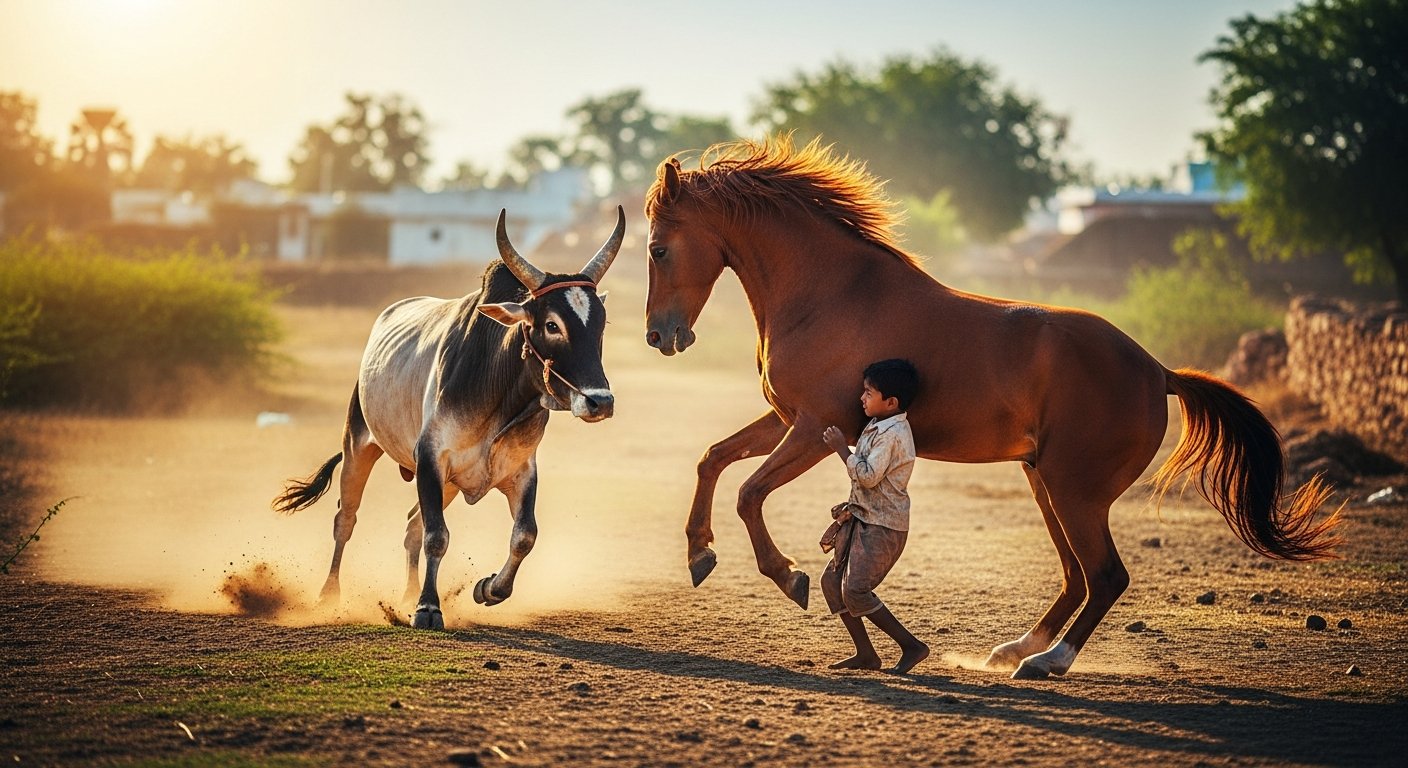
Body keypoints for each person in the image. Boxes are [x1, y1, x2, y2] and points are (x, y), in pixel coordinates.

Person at [819, 358, 929, 674]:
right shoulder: (879, 423)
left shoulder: (893, 434)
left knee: (855, 589)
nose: (862, 398)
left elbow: (868, 476)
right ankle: (866, 654)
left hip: (884, 526)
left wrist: (842, 449)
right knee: (832, 582)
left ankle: (912, 646)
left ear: (891, 402)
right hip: (866, 518)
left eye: (869, 392)